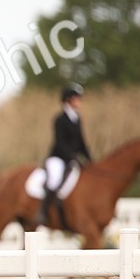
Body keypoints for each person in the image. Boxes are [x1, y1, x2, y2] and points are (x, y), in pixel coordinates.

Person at [37, 83, 92, 227]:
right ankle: (42, 212)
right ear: (68, 100)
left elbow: (81, 142)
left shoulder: (77, 119)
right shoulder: (59, 119)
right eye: (76, 98)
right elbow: (60, 143)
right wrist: (73, 157)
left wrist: (90, 159)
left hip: (72, 159)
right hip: (58, 158)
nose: (79, 101)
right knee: (54, 180)